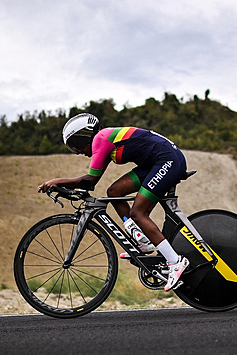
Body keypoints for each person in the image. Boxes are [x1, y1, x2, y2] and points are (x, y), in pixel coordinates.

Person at [38, 113, 189, 291]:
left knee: (138, 213)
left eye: (76, 147)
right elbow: (90, 184)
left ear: (82, 139)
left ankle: (175, 261)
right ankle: (142, 242)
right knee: (115, 192)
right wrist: (65, 188)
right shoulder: (104, 142)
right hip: (156, 162)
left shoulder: (100, 139)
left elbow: (90, 180)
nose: (78, 152)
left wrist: (56, 182)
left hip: (167, 160)